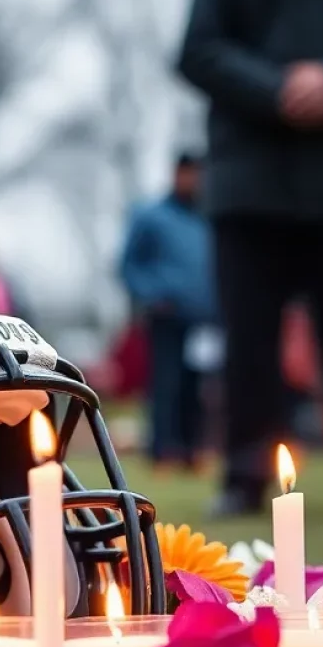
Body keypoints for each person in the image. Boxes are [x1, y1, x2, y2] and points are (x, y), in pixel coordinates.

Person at [179, 0, 323, 516]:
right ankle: (244, 475)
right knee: (248, 345)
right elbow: (198, 50)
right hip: (249, 186)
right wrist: (276, 88)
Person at [119, 154, 216, 469]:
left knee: (197, 387)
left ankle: (192, 451)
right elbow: (129, 265)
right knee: (165, 385)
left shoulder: (207, 217)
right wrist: (152, 295)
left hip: (203, 319)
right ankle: (163, 451)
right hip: (166, 316)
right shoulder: (151, 216)